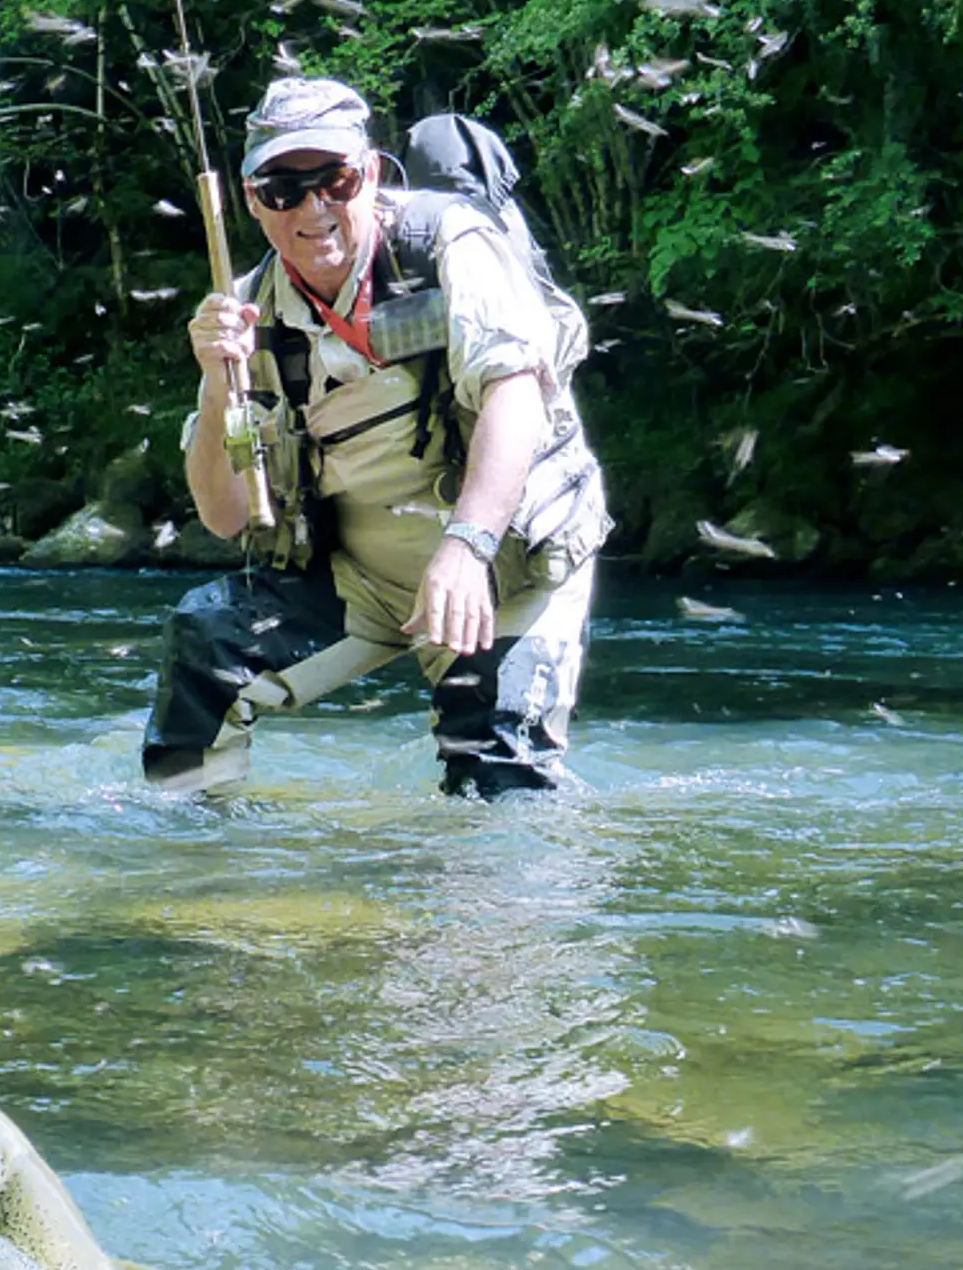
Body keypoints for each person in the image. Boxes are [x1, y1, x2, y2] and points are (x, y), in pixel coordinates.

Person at [142, 77, 611, 798]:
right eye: (283, 189)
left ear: (370, 173)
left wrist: (468, 546)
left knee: (499, 782)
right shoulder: (247, 310)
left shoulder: (452, 243)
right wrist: (214, 381)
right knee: (206, 649)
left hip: (506, 564)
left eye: (334, 180)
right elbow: (224, 516)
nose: (313, 209)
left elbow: (515, 396)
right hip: (360, 574)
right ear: (252, 200)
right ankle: (202, 857)